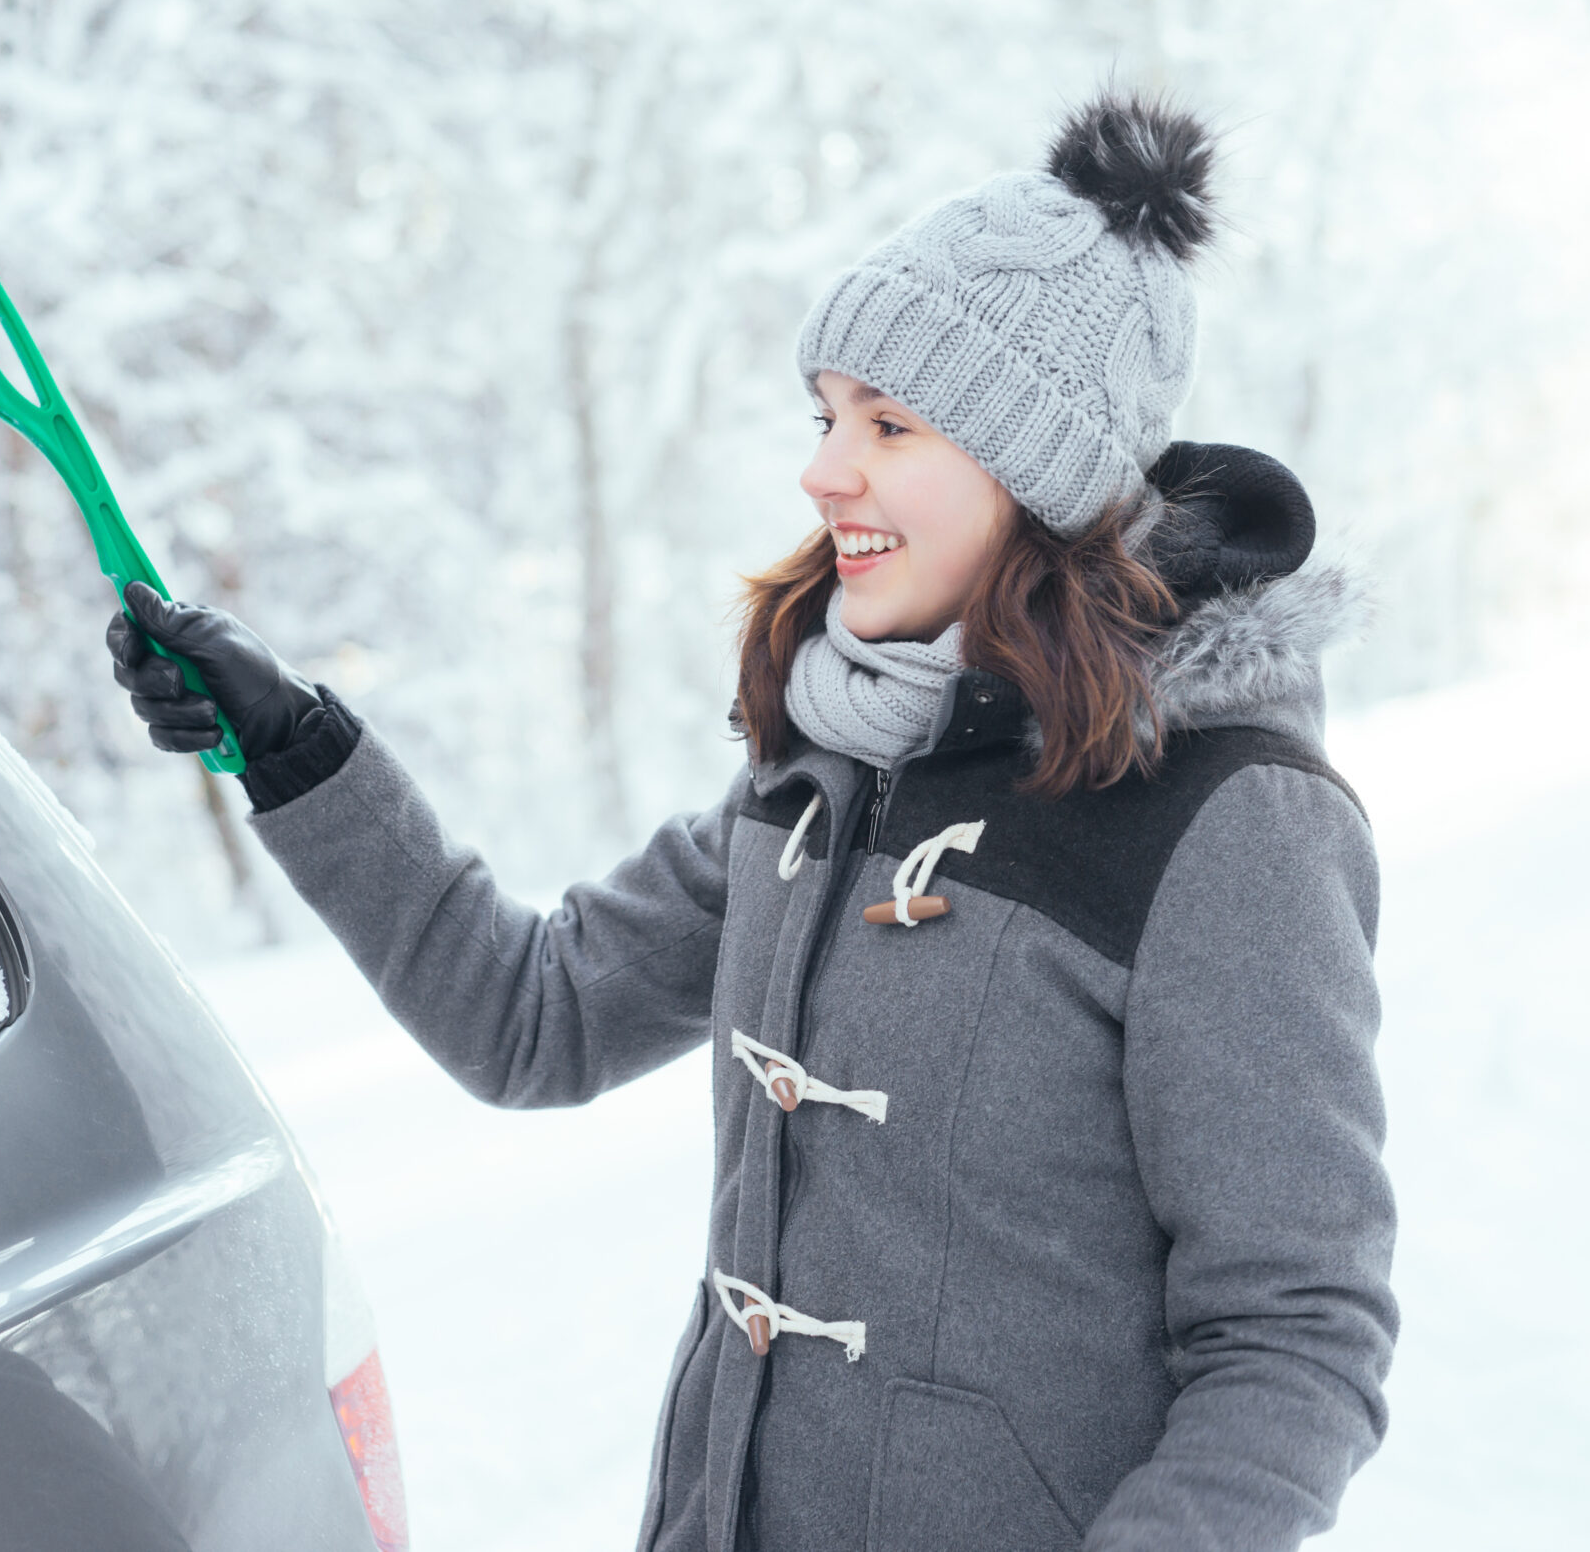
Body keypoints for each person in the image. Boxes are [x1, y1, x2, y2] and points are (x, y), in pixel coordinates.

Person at [108, 88, 1395, 1552]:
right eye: (828, 415)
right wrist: (297, 752)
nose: (825, 469)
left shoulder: (1225, 822)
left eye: (891, 425)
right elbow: (533, 1021)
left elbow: (1299, 1339)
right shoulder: (828, 762)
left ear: (1037, 475)